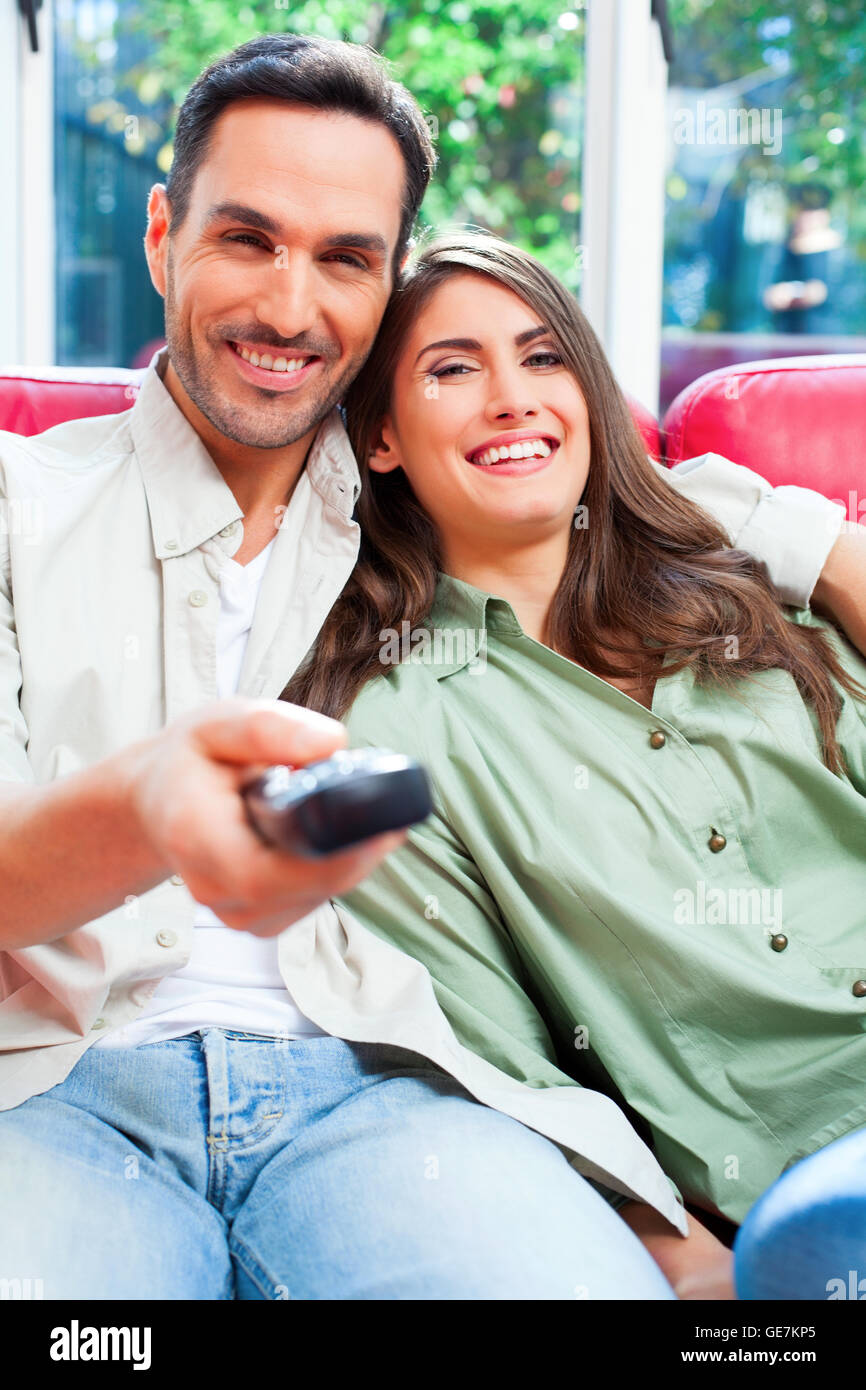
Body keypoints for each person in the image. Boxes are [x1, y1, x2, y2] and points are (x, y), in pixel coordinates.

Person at [0, 33, 859, 1301]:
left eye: (345, 259)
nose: (292, 309)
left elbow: (607, 480)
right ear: (159, 235)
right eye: (246, 239)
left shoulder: (417, 498)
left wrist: (817, 537)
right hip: (55, 1090)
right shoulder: (22, 507)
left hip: (379, 1092)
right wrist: (148, 805)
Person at [262, 228, 866, 1300]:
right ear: (383, 436)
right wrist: (678, 1255)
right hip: (802, 1198)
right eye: (452, 369)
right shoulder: (383, 731)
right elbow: (498, 1057)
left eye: (544, 358)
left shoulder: (768, 608)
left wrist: (785, 538)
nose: (510, 398)